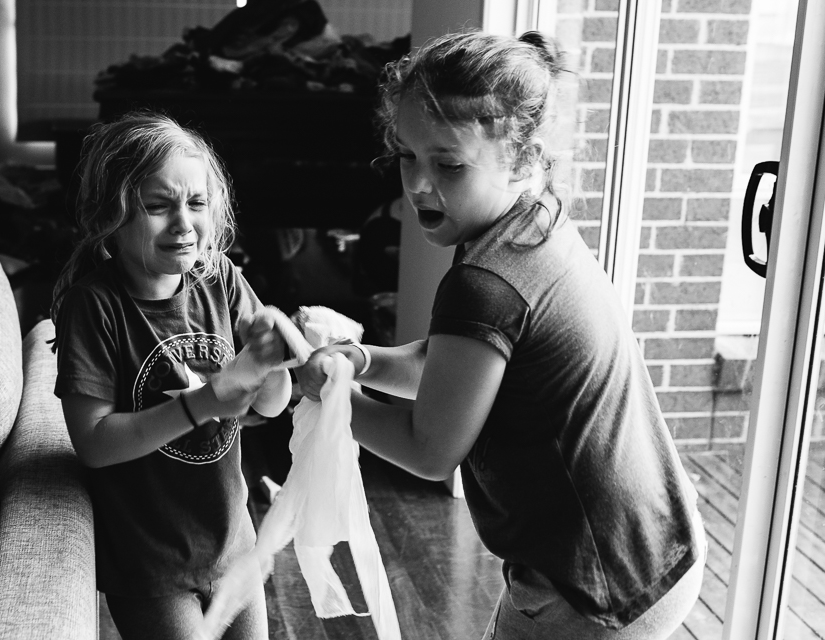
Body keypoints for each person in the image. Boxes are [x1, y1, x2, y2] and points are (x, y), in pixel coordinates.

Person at [297, 30, 706, 639]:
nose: (417, 185)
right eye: (407, 155)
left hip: (594, 587)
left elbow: (431, 449)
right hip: (655, 545)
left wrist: (325, 395)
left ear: (522, 156)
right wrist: (358, 361)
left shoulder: (484, 282)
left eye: (449, 164)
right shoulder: (538, 225)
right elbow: (454, 365)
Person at [50, 111, 291, 640]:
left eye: (197, 203)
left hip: (234, 544)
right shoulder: (95, 306)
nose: (184, 224)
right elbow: (93, 442)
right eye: (158, 206)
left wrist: (269, 360)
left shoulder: (219, 277)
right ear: (110, 214)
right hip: (152, 565)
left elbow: (270, 406)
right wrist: (204, 403)